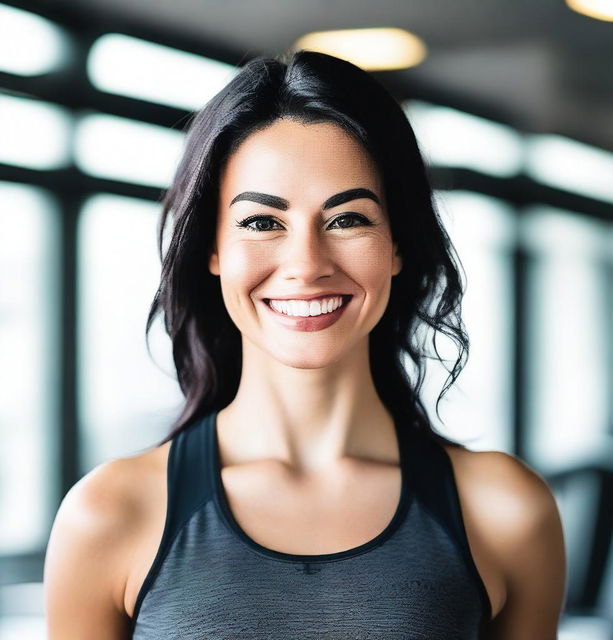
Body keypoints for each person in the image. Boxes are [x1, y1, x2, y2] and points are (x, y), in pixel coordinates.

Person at [43, 49, 566, 639]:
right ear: (212, 250)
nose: (306, 266)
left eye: (348, 220)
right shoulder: (110, 515)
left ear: (396, 245)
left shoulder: (504, 512)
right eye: (262, 222)